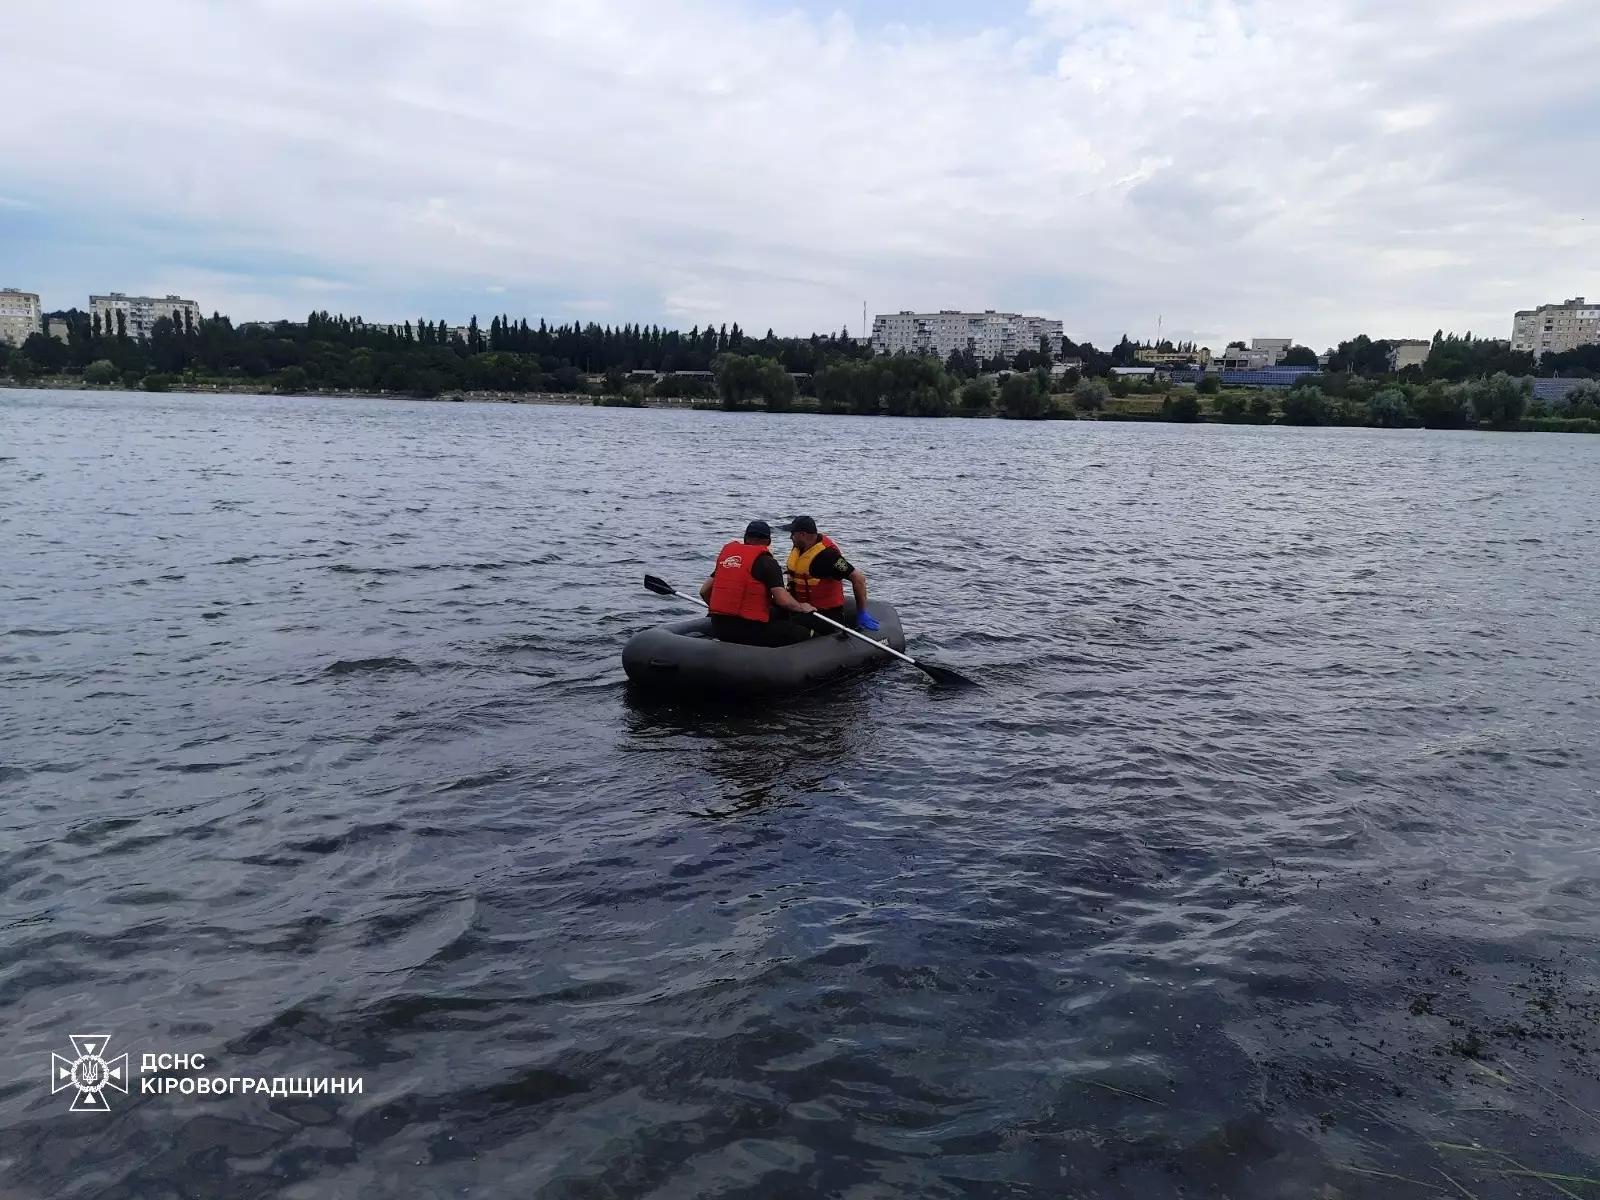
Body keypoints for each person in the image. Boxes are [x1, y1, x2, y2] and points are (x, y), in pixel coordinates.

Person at [699, 520, 817, 646]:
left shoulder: (727, 560)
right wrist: (802, 607)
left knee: (778, 613)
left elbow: (704, 591)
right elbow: (783, 600)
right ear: (768, 542)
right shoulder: (767, 563)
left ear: (745, 538)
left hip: (719, 627)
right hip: (750, 630)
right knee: (804, 633)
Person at [779, 516, 880, 632]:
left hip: (824, 614)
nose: (790, 537)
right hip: (799, 607)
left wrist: (862, 612)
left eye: (793, 534)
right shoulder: (800, 547)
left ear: (803, 535)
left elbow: (858, 578)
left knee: (783, 628)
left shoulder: (828, 556)